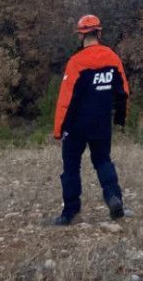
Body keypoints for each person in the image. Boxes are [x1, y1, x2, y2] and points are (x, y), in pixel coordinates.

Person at [49, 15, 130, 225]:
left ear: (81, 36)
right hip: (101, 124)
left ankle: (71, 213)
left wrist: (58, 130)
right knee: (103, 161)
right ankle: (114, 198)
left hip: (76, 126)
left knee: (71, 167)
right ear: (99, 33)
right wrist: (120, 119)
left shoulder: (76, 62)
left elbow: (65, 100)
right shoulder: (112, 58)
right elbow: (123, 92)